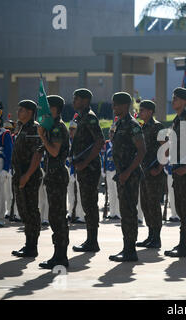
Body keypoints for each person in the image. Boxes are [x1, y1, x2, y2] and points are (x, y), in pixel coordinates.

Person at [108, 92, 146, 262]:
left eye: (116, 104)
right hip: (122, 174)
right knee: (125, 211)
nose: (114, 107)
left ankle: (130, 250)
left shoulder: (132, 125)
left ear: (125, 106)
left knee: (129, 212)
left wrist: (127, 172)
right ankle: (127, 247)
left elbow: (141, 150)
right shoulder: (119, 124)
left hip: (129, 175)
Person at [164, 88, 186, 258]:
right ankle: (183, 243)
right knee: (180, 208)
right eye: (173, 97)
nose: (173, 100)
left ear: (184, 102)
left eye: (176, 98)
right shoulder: (177, 121)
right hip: (178, 171)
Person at [37, 95, 70, 269]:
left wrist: (43, 137)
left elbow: (55, 152)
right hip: (52, 176)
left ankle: (61, 256)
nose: (44, 111)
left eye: (47, 107)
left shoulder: (57, 128)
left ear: (55, 109)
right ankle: (58, 255)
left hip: (57, 176)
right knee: (54, 217)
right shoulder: (52, 127)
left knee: (58, 217)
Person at [70, 88, 105, 253]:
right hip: (83, 166)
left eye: (76, 98)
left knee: (90, 203)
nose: (74, 101)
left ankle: (93, 241)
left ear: (84, 100)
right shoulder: (80, 117)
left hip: (89, 168)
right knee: (86, 203)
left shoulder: (90, 117)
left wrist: (85, 163)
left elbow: (99, 141)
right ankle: (90, 239)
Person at [11, 100, 43, 257]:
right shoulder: (23, 127)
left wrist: (27, 175)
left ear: (30, 112)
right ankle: (28, 244)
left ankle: (32, 246)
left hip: (29, 175)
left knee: (31, 210)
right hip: (20, 174)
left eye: (22, 110)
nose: (19, 112)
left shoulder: (34, 128)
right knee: (24, 210)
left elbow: (37, 155)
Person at [137, 100, 166, 249]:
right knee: (145, 204)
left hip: (154, 171)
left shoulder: (157, 127)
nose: (140, 112)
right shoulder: (142, 127)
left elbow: (166, 148)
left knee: (153, 204)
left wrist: (160, 168)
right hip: (144, 172)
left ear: (149, 112)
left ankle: (156, 237)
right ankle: (150, 235)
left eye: (142, 110)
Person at [66, 120, 85, 223]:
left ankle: (80, 215)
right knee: (70, 194)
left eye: (73, 129)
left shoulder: (79, 141)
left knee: (79, 194)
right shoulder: (67, 141)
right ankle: (71, 212)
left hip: (77, 170)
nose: (71, 131)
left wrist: (73, 172)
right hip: (69, 170)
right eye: (70, 129)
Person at [102, 124, 121, 220]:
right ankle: (112, 212)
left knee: (118, 192)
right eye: (110, 132)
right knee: (111, 192)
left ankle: (118, 212)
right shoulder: (107, 144)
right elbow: (104, 157)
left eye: (113, 132)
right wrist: (103, 169)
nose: (111, 134)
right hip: (109, 170)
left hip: (116, 170)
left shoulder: (119, 143)